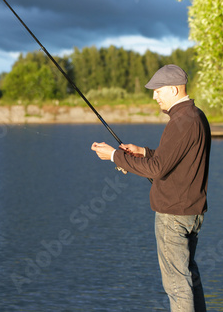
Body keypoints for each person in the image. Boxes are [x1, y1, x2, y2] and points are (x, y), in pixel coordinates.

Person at [91, 64, 211, 312]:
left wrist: (115, 156)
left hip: (174, 217)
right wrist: (142, 152)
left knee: (177, 286)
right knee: (189, 279)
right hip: (191, 214)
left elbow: (157, 169)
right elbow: (173, 159)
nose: (154, 96)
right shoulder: (195, 116)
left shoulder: (181, 121)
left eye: (158, 90)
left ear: (175, 90)